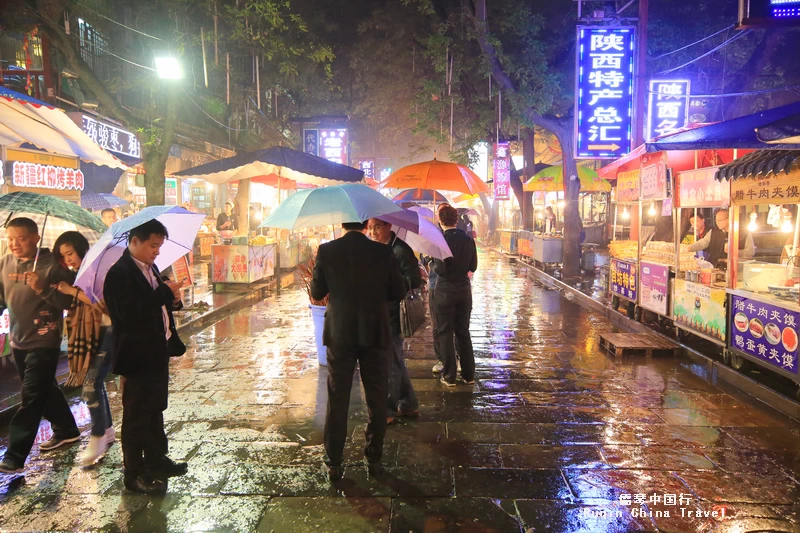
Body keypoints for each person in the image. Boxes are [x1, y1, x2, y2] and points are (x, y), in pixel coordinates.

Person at [310, 220, 405, 482]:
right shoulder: (383, 252)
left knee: (337, 395)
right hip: (374, 331)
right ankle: (373, 458)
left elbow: (317, 292)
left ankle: (334, 462)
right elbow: (398, 291)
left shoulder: (327, 250)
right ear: (365, 224)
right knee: (376, 397)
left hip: (340, 332)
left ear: (341, 223)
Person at [104, 219, 187, 494]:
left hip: (157, 351)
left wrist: (173, 299)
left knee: (155, 410)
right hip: (137, 356)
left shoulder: (148, 267)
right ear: (135, 241)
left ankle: (156, 459)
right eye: (153, 245)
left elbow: (157, 303)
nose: (157, 252)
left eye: (160, 246)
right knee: (137, 416)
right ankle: (134, 473)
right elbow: (130, 314)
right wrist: (164, 292)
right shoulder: (120, 274)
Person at [0, 218, 80, 475]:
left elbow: (68, 302)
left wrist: (41, 288)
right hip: (18, 339)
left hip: (44, 339)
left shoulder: (52, 265)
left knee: (31, 397)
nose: (14, 244)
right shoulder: (5, 262)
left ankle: (14, 456)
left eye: (21, 238)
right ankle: (66, 430)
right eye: (10, 239)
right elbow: (2, 297)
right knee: (44, 388)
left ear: (36, 238)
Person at [53, 231, 116, 467]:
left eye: (70, 253)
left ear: (80, 248)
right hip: (91, 334)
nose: (68, 259)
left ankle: (98, 435)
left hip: (109, 330)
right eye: (63, 255)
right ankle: (107, 430)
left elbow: (102, 303)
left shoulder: (97, 268)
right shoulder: (76, 273)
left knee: (89, 386)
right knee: (95, 383)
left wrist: (73, 292)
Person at [367, 218, 422, 424]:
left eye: (377, 228)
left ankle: (388, 410)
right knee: (395, 359)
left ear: (388, 227)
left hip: (393, 313)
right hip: (382, 312)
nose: (372, 232)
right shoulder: (378, 249)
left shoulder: (399, 250)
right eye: (370, 228)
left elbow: (413, 280)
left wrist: (388, 282)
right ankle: (408, 404)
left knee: (390, 361)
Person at [433, 205, 478, 387]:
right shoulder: (467, 239)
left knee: (445, 332)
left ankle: (449, 375)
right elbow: (473, 266)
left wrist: (432, 261)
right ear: (456, 219)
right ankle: (468, 375)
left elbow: (441, 269)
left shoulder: (440, 240)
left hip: (445, 290)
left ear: (440, 220)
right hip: (464, 290)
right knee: (463, 332)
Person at [690, 208, 755, 267]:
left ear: (728, 219)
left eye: (720, 220)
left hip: (736, 269)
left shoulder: (744, 233)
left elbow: (750, 252)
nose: (717, 223)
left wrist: (735, 252)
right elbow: (703, 243)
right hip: (715, 268)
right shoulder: (713, 232)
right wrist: (690, 247)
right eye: (716, 221)